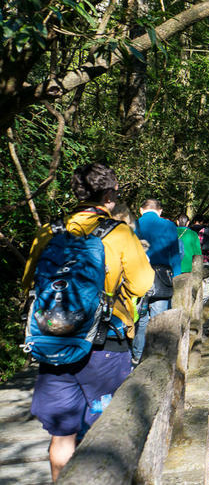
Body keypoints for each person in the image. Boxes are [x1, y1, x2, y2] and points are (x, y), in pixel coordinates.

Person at [21, 163, 154, 481]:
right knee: (107, 432)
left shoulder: (50, 232)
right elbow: (141, 284)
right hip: (104, 343)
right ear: (109, 195)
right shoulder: (118, 233)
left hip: (53, 341)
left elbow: (28, 282)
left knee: (62, 437)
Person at [132, 199, 181, 362]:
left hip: (137, 276)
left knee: (139, 318)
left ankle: (137, 355)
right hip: (162, 278)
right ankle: (156, 357)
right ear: (160, 211)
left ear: (141, 210)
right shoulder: (169, 226)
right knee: (159, 319)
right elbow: (175, 255)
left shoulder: (132, 225)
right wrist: (177, 277)